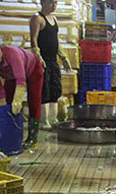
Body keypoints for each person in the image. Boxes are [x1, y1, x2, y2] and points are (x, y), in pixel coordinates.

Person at [0, 36, 44, 149]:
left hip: (32, 68)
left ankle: (33, 138)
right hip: (11, 75)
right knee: (8, 101)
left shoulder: (11, 53)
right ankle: (11, 133)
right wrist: (1, 106)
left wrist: (18, 100)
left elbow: (21, 79)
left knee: (33, 100)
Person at [30, 0, 71, 130]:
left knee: (55, 89)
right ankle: (44, 121)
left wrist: (63, 57)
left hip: (53, 61)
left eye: (56, 3)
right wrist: (38, 57)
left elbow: (56, 40)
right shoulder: (37, 18)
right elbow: (33, 40)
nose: (54, 5)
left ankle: (53, 119)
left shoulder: (54, 19)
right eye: (51, 2)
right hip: (43, 61)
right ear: (43, 2)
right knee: (45, 90)